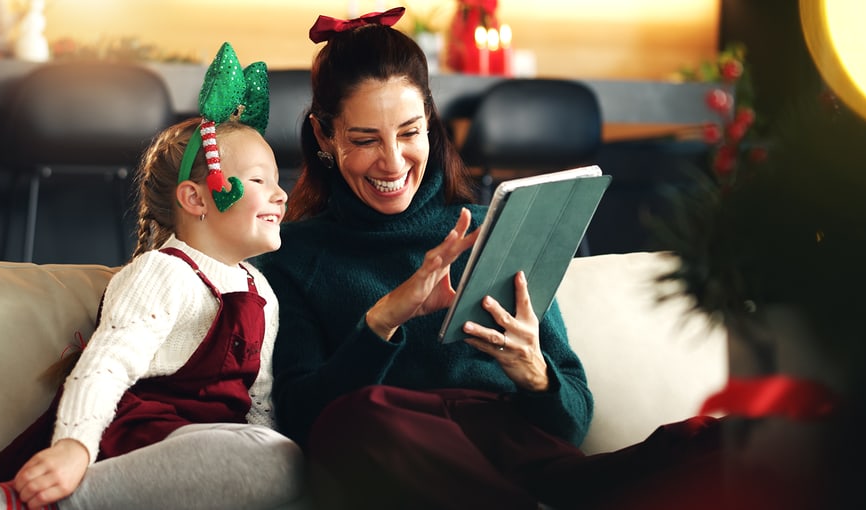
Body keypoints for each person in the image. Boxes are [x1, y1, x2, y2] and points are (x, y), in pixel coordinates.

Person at [251, 8, 723, 510]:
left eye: (410, 132)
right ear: (326, 137)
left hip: (534, 465)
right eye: (365, 140)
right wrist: (383, 320)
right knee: (354, 419)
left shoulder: (494, 226)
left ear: (430, 124)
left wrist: (536, 373)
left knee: (729, 440)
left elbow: (575, 420)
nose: (392, 162)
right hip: (408, 459)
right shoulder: (293, 257)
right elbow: (304, 424)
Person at [0, 42, 302, 510]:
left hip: (215, 451)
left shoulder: (262, 292)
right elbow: (105, 365)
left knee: (278, 461)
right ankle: (44, 502)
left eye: (278, 180)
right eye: (260, 181)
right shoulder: (164, 272)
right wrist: (73, 448)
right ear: (196, 199)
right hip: (142, 441)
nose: (281, 194)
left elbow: (258, 405)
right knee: (272, 460)